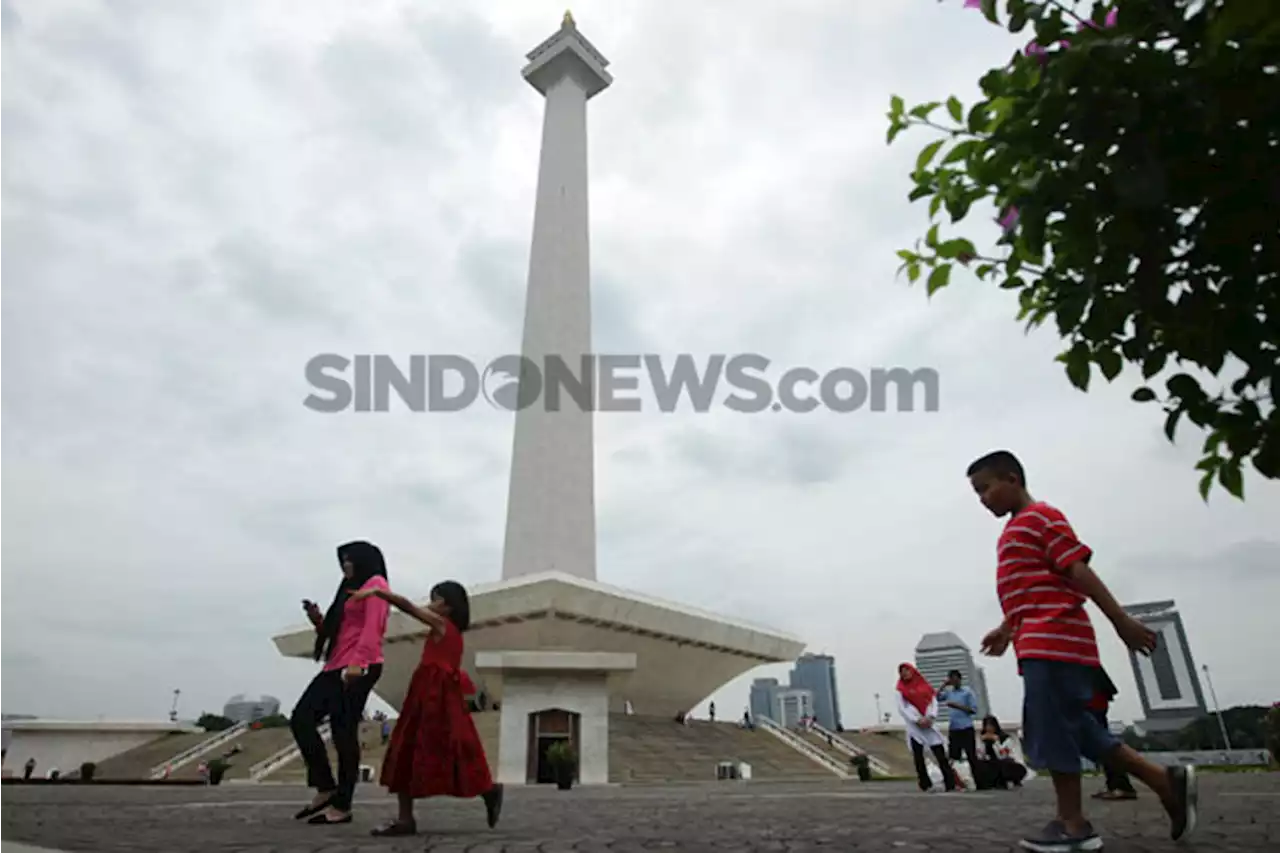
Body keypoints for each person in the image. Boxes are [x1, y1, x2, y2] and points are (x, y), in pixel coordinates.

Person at [968, 450, 1197, 852]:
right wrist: (1007, 629)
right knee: (1081, 731)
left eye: (986, 488)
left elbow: (1077, 570)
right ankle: (1165, 781)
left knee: (1054, 728)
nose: (982, 499)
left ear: (1012, 478)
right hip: (1038, 639)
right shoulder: (1015, 530)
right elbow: (1032, 592)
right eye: (977, 494)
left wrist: (1121, 621)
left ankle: (1073, 826)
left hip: (1054, 642)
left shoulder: (1042, 517)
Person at [352, 580, 503, 838]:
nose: (430, 604)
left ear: (447, 606)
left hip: (431, 693)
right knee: (432, 748)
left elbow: (409, 607)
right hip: (438, 693)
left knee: (408, 746)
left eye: (435, 599)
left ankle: (406, 818)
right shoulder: (451, 630)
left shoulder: (441, 624)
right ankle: (486, 790)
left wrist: (378, 592)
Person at [291, 541, 390, 826]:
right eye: (342, 561)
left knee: (343, 732)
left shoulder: (376, 584)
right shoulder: (349, 588)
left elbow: (374, 628)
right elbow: (342, 629)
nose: (345, 566)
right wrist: (318, 621)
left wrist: (357, 664)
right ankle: (326, 787)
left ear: (363, 560)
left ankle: (342, 804)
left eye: (349, 560)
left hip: (360, 665)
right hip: (336, 664)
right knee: (301, 719)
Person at [895, 662, 957, 792]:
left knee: (940, 754)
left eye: (907, 670)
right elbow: (902, 708)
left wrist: (931, 717)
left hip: (929, 725)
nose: (905, 673)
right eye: (902, 671)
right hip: (914, 728)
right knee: (918, 757)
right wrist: (916, 720)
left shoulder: (925, 686)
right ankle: (925, 784)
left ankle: (950, 783)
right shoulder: (900, 690)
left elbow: (933, 701)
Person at [1088, 667, 1137, 801]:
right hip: (1093, 693)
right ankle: (1117, 784)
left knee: (1101, 741)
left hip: (1090, 695)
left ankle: (1121, 785)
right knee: (1100, 741)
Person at [937, 669, 980, 772]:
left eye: (955, 678)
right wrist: (943, 685)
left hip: (966, 727)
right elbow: (935, 698)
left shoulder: (967, 692)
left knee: (971, 756)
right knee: (954, 756)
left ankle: (978, 780)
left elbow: (973, 710)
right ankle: (957, 780)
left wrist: (957, 706)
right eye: (951, 679)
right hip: (954, 728)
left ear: (959, 679)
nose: (953, 681)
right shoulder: (949, 693)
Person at [976, 715, 1028, 790]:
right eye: (986, 726)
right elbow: (980, 754)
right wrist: (982, 743)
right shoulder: (982, 738)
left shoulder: (1005, 738)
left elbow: (1003, 754)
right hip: (990, 762)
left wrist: (996, 742)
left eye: (991, 725)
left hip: (1004, 761)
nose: (989, 728)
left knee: (1006, 765)